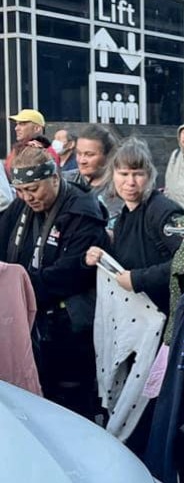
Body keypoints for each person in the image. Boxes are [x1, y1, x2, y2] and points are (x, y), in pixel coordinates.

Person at [0, 146, 107, 417]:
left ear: (55, 178)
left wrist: (19, 288)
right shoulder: (20, 205)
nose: (27, 197)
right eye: (21, 190)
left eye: (34, 189)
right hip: (26, 320)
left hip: (68, 323)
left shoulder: (84, 212)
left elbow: (71, 273)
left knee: (69, 403)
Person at [85, 137, 183, 319]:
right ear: (113, 175)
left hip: (167, 316)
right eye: (123, 174)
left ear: (150, 176)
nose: (130, 182)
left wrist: (138, 279)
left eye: (138, 174)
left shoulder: (162, 210)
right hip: (140, 317)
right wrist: (102, 256)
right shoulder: (124, 215)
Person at [70, 123, 123, 225]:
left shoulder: (122, 188)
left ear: (108, 156)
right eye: (79, 153)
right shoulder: (65, 182)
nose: (81, 160)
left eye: (89, 155)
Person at [5, 108, 59, 174]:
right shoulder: (18, 149)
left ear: (37, 128)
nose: (16, 128)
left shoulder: (46, 152)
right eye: (17, 124)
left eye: (22, 124)